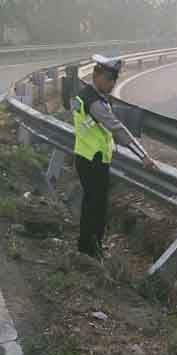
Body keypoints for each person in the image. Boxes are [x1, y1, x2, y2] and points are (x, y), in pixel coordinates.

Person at [72, 55, 157, 258]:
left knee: (90, 204)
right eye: (109, 80)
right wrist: (143, 156)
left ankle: (86, 247)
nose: (112, 84)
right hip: (94, 161)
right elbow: (117, 129)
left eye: (114, 80)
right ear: (97, 76)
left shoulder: (85, 96)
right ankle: (93, 250)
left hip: (85, 156)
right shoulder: (95, 103)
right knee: (97, 208)